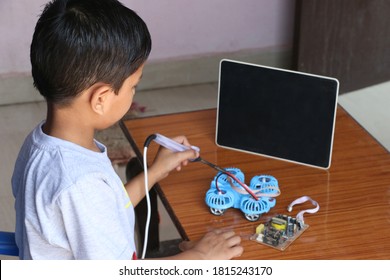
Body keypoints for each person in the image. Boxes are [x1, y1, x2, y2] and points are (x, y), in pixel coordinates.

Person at [11, 0, 243, 260]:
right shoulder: (80, 184)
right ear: (101, 99)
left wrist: (154, 172)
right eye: (133, 85)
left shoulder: (39, 143)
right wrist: (202, 258)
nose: (134, 93)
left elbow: (104, 208)